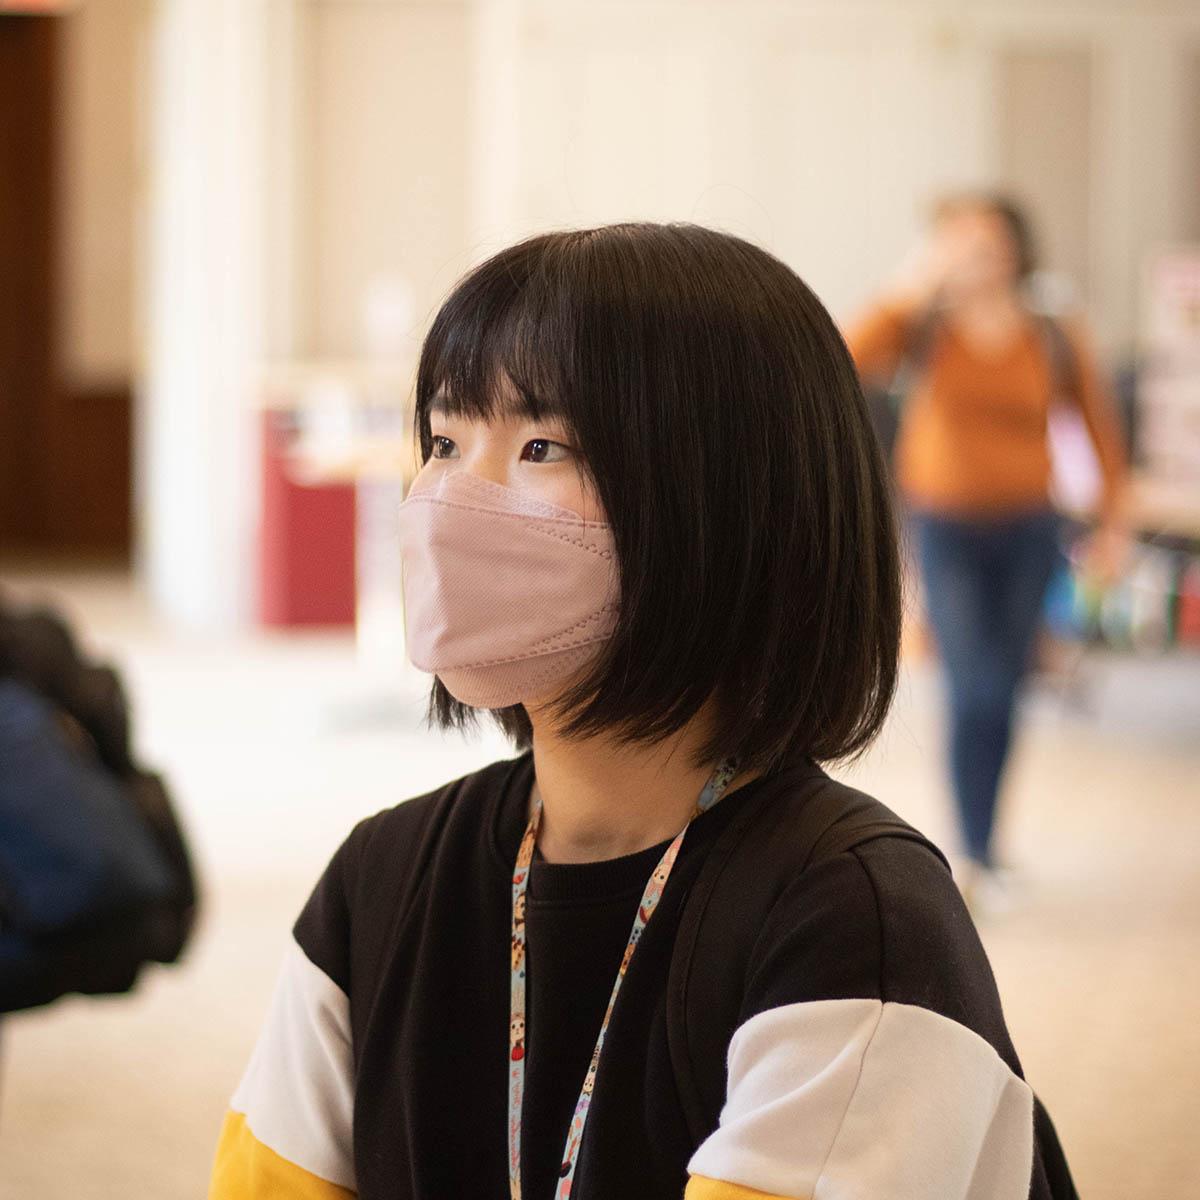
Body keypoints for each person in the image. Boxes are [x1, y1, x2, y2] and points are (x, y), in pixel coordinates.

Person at [209, 224, 1076, 1200]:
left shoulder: (858, 924)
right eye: (446, 440)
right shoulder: (382, 878)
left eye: (541, 446)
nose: (450, 497)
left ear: (733, 503)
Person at [846, 194, 1127, 906]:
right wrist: (917, 281)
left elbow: (1098, 428)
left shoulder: (1051, 333)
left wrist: (1114, 526)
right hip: (946, 527)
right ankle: (970, 851)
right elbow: (847, 357)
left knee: (1003, 689)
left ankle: (984, 845)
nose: (972, 254)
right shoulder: (923, 327)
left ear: (1013, 249)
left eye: (984, 241)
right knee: (972, 684)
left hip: (1033, 529)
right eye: (955, 241)